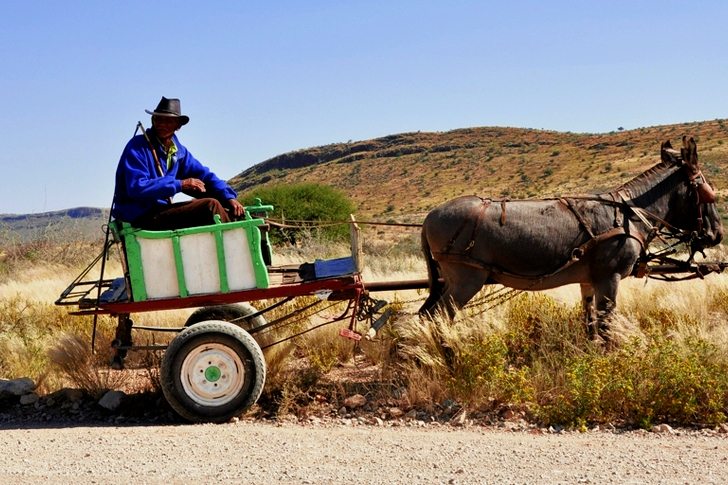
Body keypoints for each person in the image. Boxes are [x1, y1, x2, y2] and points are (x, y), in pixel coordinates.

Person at [112, 97, 245, 230]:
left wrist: (228, 197)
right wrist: (180, 184)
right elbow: (137, 187)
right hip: (139, 216)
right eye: (158, 119)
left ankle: (256, 229)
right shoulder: (138, 146)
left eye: (168, 120)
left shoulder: (179, 152)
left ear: (178, 126)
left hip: (160, 212)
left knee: (230, 209)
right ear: (152, 120)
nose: (161, 124)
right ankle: (236, 239)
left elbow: (205, 177)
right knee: (210, 206)